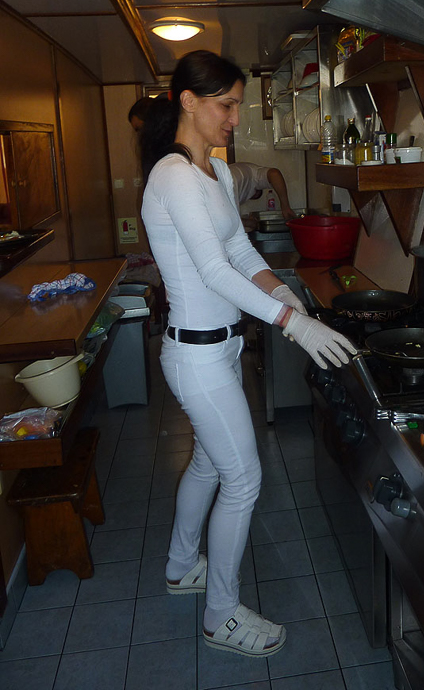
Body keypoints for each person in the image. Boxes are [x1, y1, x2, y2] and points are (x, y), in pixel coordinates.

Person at [139, 49, 356, 658]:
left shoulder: (214, 173)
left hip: (223, 350)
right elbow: (210, 270)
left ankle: (183, 565)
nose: (235, 117)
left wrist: (286, 295)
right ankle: (221, 616)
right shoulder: (173, 175)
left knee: (210, 465)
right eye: (226, 105)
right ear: (188, 101)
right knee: (243, 478)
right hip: (196, 358)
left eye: (237, 104)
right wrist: (292, 324)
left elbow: (240, 254)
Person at [228, 161, 296, 221]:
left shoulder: (238, 169)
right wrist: (286, 207)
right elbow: (274, 174)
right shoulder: (252, 174)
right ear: (257, 189)